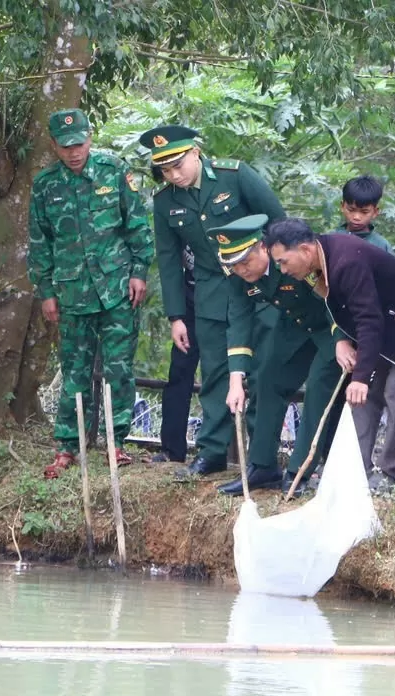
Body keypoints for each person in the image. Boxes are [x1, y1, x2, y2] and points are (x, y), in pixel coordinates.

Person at [140, 125, 286, 479]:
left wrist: (281, 278)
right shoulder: (165, 203)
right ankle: (212, 451)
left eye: (178, 164)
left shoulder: (233, 176)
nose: (174, 174)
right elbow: (170, 260)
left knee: (263, 370)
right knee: (216, 373)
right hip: (211, 293)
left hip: (259, 288)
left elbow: (280, 223)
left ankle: (262, 457)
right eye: (165, 170)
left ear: (195, 152)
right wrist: (177, 316)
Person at [263, 218, 395, 494]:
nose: (282, 270)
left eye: (284, 262)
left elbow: (368, 319)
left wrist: (361, 376)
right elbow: (336, 307)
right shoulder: (317, 265)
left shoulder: (346, 262)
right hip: (382, 327)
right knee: (363, 399)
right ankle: (356, 471)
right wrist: (342, 340)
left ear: (306, 250)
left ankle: (387, 475)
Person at [28, 108, 152, 478]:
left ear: (90, 137)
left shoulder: (114, 172)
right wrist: (46, 292)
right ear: (54, 146)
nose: (74, 151)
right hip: (72, 294)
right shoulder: (45, 185)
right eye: (65, 146)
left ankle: (117, 444)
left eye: (79, 143)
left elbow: (137, 227)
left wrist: (139, 272)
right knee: (75, 373)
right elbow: (39, 243)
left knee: (119, 370)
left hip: (117, 289)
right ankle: (68, 447)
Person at [210, 214, 342, 497]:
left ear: (262, 247)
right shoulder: (238, 276)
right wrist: (236, 379)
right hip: (293, 328)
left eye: (246, 262)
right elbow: (239, 322)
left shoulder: (292, 260)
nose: (242, 271)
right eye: (234, 265)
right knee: (267, 379)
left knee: (319, 387)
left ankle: (299, 472)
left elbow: (333, 298)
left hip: (330, 329)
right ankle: (262, 466)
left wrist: (343, 340)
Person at [149, 246, 201, 464]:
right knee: (179, 371)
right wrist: (176, 316)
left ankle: (215, 452)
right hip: (188, 300)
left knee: (220, 376)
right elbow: (169, 258)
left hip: (222, 300)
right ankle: (172, 450)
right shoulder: (177, 218)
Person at [337, 176, 395, 255]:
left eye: (364, 212)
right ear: (342, 206)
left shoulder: (381, 246)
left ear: (375, 212)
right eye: (351, 210)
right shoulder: (329, 239)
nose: (356, 217)